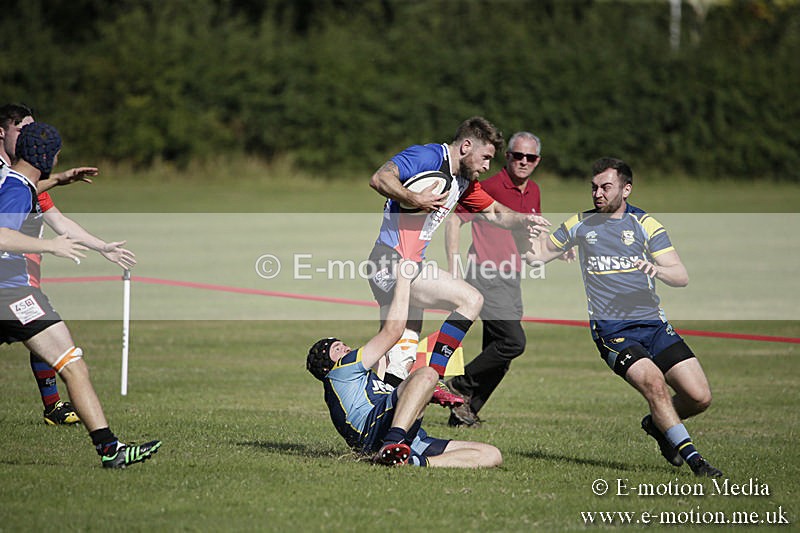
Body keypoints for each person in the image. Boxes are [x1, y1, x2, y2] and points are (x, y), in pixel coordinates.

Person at [527, 157, 722, 477]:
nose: (598, 194)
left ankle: (658, 426)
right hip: (613, 331)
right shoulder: (579, 224)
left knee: (699, 397)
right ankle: (697, 463)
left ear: (626, 189)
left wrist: (656, 269)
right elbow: (536, 256)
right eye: (594, 188)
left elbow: (681, 275)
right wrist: (526, 233)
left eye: (606, 187)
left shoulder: (647, 225)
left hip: (654, 326)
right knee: (654, 385)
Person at [0, 122, 160, 468]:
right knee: (72, 365)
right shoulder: (15, 189)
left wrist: (102, 246)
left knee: (72, 364)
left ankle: (110, 448)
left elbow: (59, 221)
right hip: (11, 296)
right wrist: (49, 246)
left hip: (12, 295)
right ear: (46, 156)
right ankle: (110, 450)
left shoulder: (20, 184)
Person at [367, 117, 549, 405]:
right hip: (390, 261)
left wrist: (523, 221)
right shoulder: (427, 156)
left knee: (397, 356)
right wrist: (414, 198)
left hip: (409, 264)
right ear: (466, 146)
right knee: (470, 300)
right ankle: (434, 376)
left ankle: (375, 421)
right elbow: (380, 178)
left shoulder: (464, 182)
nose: (488, 166)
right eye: (486, 157)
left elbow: (496, 213)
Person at [306, 259, 502, 468]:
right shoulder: (340, 371)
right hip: (378, 431)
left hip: (410, 437)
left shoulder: (362, 381)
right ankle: (392, 444)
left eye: (343, 345)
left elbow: (390, 354)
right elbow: (392, 331)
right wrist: (403, 279)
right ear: (327, 367)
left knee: (491, 454)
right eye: (337, 349)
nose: (346, 349)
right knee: (428, 373)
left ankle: (414, 462)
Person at [444, 131, 548, 427]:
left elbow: (529, 244)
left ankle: (465, 413)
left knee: (500, 354)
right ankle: (459, 386)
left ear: (537, 160)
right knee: (513, 342)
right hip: (485, 275)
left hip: (511, 277)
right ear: (508, 157)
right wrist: (453, 266)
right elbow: (454, 219)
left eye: (530, 157)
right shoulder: (487, 186)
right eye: (517, 155)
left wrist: (555, 250)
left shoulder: (535, 192)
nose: (523, 162)